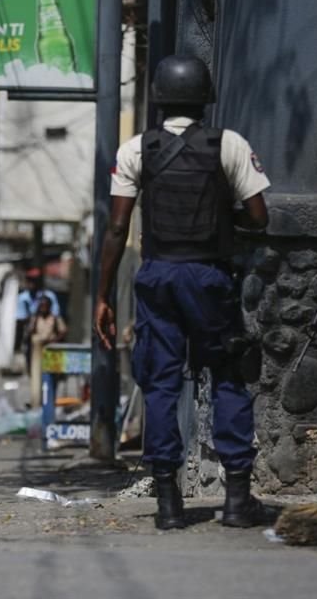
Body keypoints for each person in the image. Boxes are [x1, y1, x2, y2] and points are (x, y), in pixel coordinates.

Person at [94, 55, 273, 530]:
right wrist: (222, 220)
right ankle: (236, 500)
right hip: (211, 279)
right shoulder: (228, 144)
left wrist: (103, 296)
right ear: (204, 97)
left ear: (158, 97)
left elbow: (116, 228)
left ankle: (168, 504)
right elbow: (259, 217)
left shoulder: (137, 149)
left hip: (157, 277)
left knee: (160, 384)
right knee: (229, 377)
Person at [26, 295, 67, 409]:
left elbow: (63, 331)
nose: (43, 308)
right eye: (41, 305)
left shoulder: (55, 318)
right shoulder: (35, 318)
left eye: (45, 306)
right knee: (36, 377)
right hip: (38, 350)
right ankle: (36, 402)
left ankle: (50, 401)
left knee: (52, 378)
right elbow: (29, 333)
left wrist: (54, 339)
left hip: (51, 351)